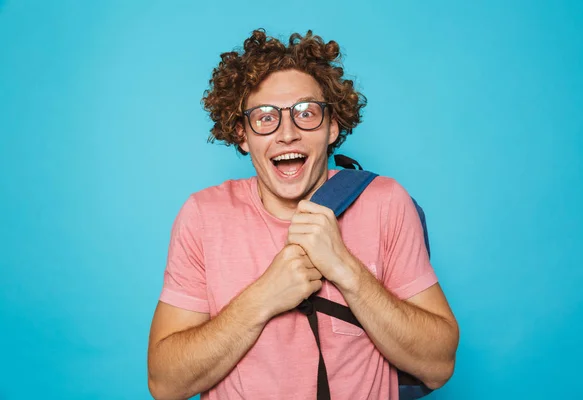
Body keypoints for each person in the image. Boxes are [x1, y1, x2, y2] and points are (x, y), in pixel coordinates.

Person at [147, 29, 459, 400]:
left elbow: (439, 367)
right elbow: (165, 384)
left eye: (306, 113)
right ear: (242, 135)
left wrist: (345, 268)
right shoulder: (203, 215)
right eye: (265, 118)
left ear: (332, 126)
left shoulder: (386, 202)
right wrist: (264, 297)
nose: (287, 134)